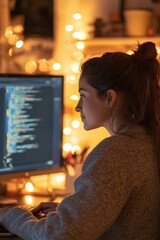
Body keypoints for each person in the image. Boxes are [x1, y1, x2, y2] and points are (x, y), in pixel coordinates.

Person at [0, 41, 160, 239]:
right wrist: (75, 210)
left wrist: (11, 215)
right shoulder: (147, 141)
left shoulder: (116, 152)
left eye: (83, 95)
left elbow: (58, 235)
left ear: (110, 98)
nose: (77, 106)